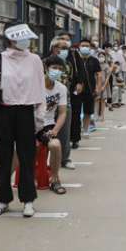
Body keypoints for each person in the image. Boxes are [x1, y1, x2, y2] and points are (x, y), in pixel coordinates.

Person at [0, 24, 45, 218]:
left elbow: (40, 89)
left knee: (26, 156)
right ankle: (3, 199)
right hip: (3, 112)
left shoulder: (35, 60)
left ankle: (28, 199)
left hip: (26, 112)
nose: (25, 41)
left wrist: (40, 118)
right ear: (11, 38)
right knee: (2, 157)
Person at [37, 55, 69, 196]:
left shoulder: (61, 88)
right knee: (17, 150)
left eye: (60, 69)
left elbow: (62, 113)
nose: (57, 71)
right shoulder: (34, 85)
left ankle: (54, 179)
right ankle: (4, 183)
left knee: (55, 145)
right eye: (54, 68)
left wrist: (55, 130)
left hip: (48, 125)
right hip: (31, 124)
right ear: (46, 68)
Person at [70, 38, 103, 148]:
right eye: (83, 45)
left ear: (90, 48)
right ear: (79, 47)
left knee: (88, 111)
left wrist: (98, 88)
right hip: (77, 90)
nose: (85, 47)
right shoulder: (75, 60)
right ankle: (76, 130)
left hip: (90, 89)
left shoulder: (94, 60)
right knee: (76, 110)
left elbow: (99, 75)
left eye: (87, 46)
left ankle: (85, 129)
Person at [50, 36, 76, 170]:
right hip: (48, 103)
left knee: (65, 133)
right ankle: (48, 159)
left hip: (65, 102)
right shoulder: (45, 63)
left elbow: (70, 82)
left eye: (67, 48)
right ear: (54, 49)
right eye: (62, 48)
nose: (65, 51)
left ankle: (65, 159)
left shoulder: (69, 65)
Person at [97, 50, 112, 117]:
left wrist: (104, 86)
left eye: (102, 56)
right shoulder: (96, 65)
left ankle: (102, 115)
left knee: (103, 100)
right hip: (97, 85)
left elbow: (107, 77)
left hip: (104, 85)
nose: (101, 58)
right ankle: (97, 114)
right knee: (97, 99)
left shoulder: (106, 66)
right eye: (99, 56)